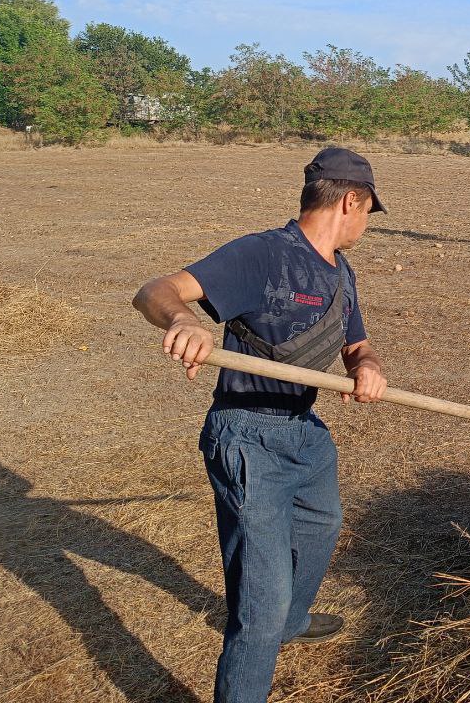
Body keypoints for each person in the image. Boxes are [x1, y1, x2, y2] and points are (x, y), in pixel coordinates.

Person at [132, 146, 390, 703]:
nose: (366, 223)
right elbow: (154, 289)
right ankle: (271, 628)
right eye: (369, 211)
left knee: (321, 529)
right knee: (259, 609)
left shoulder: (341, 274)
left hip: (305, 432)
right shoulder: (264, 254)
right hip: (247, 437)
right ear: (353, 200)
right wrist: (181, 318)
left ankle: (293, 620)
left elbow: (357, 345)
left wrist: (365, 365)